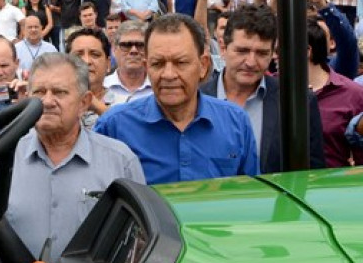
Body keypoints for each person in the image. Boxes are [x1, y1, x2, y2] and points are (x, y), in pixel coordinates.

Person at [0, 52, 143, 263]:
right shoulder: (6, 159)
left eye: (60, 92)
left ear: (85, 102)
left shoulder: (120, 161)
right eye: (39, 92)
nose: (48, 101)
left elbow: (138, 253)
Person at [95, 14, 258, 184]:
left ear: (203, 65)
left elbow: (252, 197)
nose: (168, 74)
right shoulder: (114, 127)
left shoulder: (236, 123)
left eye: (180, 63)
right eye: (157, 63)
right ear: (146, 66)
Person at [200, 5, 326, 173]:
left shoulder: (297, 102)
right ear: (223, 48)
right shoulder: (196, 99)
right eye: (242, 51)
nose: (251, 62)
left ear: (273, 53)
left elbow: (313, 172)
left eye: (261, 53)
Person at [306, 18, 363, 167]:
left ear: (307, 51)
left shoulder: (353, 95)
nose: (274, 56)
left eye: (277, 50)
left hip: (333, 186)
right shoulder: (271, 90)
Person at [67, 28, 115, 128]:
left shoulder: (125, 102)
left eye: (95, 55)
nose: (86, 61)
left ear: (108, 63)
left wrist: (96, 105)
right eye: (78, 55)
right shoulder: (53, 101)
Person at [103, 20, 153, 103]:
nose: (133, 50)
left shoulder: (159, 88)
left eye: (140, 45)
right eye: (126, 45)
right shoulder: (103, 87)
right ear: (114, 50)